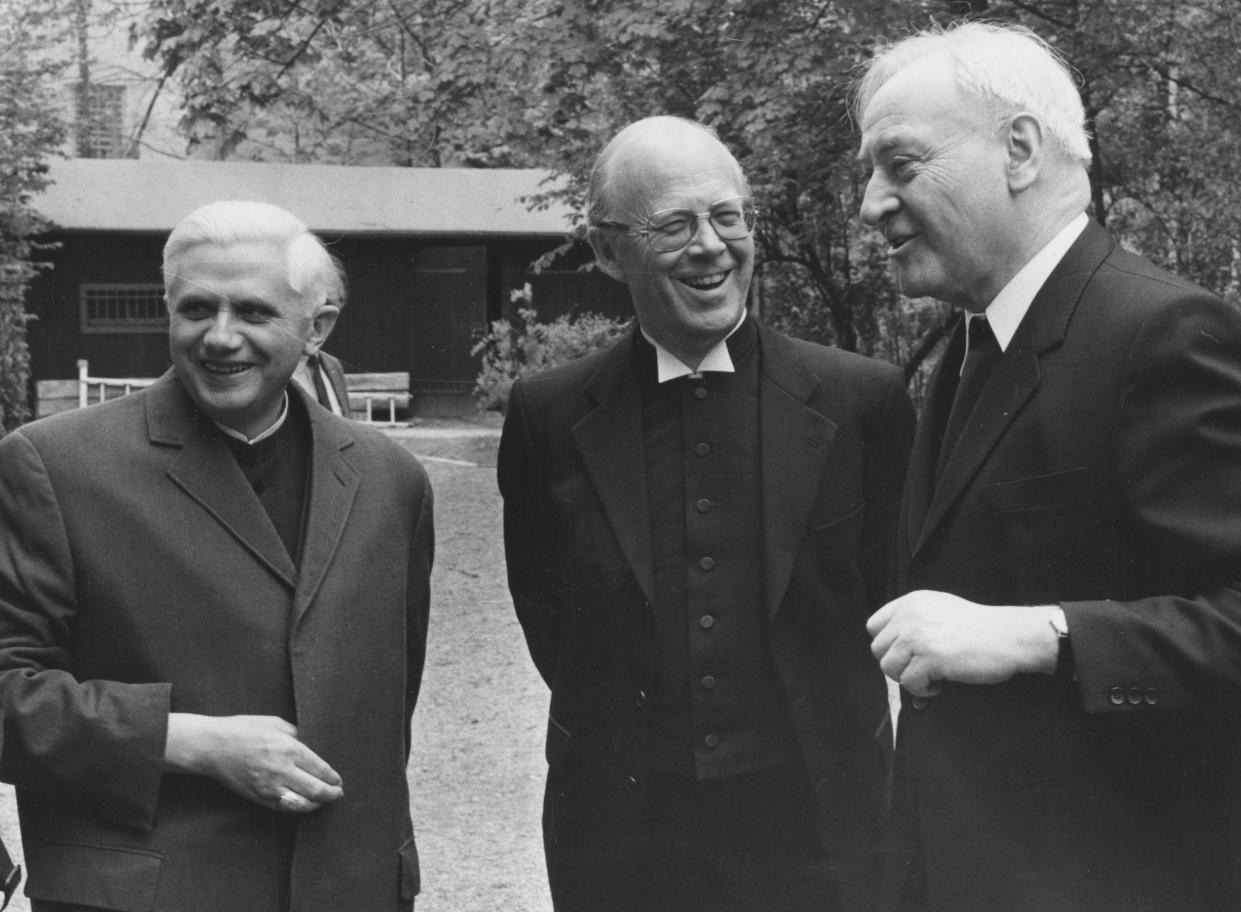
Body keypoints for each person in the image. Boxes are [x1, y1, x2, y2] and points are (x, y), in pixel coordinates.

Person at [856, 21, 1241, 912]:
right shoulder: (971, 344)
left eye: (900, 165)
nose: (871, 203)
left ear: (1018, 150)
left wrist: (1037, 635)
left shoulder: (1162, 335)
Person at [498, 115, 914, 912]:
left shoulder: (864, 400)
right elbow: (547, 612)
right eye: (675, 225)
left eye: (728, 217)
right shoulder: (546, 414)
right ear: (606, 250)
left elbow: (891, 595)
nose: (712, 246)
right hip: (625, 829)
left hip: (822, 823)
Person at [0, 200, 433, 911]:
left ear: (316, 327)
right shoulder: (54, 466)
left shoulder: (392, 480)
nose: (220, 338)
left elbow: (387, 711)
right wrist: (187, 741)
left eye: (254, 313)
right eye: (197, 308)